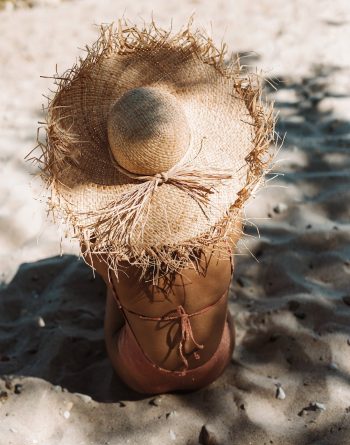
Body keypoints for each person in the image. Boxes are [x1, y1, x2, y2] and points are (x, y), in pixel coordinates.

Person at [35, 20, 274, 394]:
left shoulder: (118, 254)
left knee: (116, 292)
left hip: (139, 373)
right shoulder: (229, 226)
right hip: (217, 359)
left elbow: (93, 259)